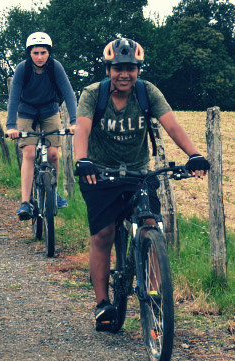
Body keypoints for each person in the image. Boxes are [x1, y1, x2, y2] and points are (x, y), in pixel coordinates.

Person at [74, 38, 210, 329]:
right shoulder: (92, 94)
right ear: (109, 68)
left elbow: (171, 124)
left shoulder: (147, 92)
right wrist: (82, 159)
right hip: (99, 174)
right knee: (104, 233)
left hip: (138, 172)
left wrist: (194, 154)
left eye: (131, 68)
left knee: (151, 222)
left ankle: (156, 290)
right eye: (118, 68)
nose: (125, 74)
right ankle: (102, 304)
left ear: (138, 69)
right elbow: (82, 129)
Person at [6, 32, 77, 220]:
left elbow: (68, 93)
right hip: (26, 110)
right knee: (29, 152)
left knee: (54, 153)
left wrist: (74, 121)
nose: (39, 57)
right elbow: (13, 97)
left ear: (49, 53)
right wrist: (11, 125)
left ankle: (54, 192)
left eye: (43, 52)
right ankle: (25, 202)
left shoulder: (56, 67)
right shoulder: (23, 68)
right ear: (29, 53)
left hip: (49, 109)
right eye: (35, 52)